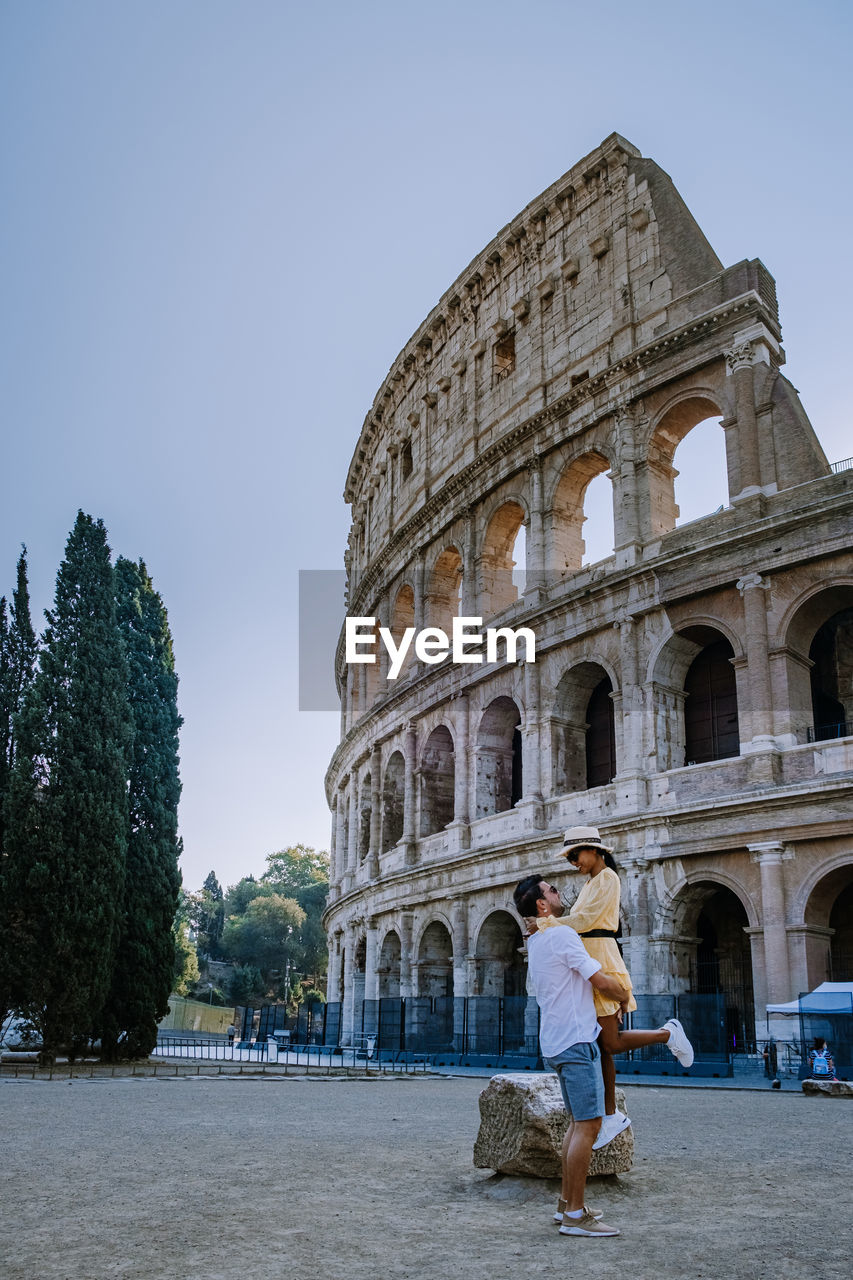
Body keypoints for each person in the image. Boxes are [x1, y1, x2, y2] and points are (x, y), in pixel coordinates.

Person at [529, 826, 695, 1149]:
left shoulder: (608, 880)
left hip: (602, 958)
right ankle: (609, 1114)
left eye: (576, 855)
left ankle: (667, 1034)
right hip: (592, 958)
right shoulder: (592, 882)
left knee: (613, 1042)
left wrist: (545, 923)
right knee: (604, 1046)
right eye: (570, 857)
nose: (573, 861)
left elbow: (586, 921)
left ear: (594, 851)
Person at [514, 873, 629, 1238]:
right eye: (551, 890)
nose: (558, 891)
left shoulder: (537, 940)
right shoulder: (562, 934)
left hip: (556, 1040)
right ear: (542, 904)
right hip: (577, 1041)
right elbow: (598, 979)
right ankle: (576, 1216)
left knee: (579, 1124)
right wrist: (623, 993)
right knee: (590, 1125)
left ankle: (567, 1203)